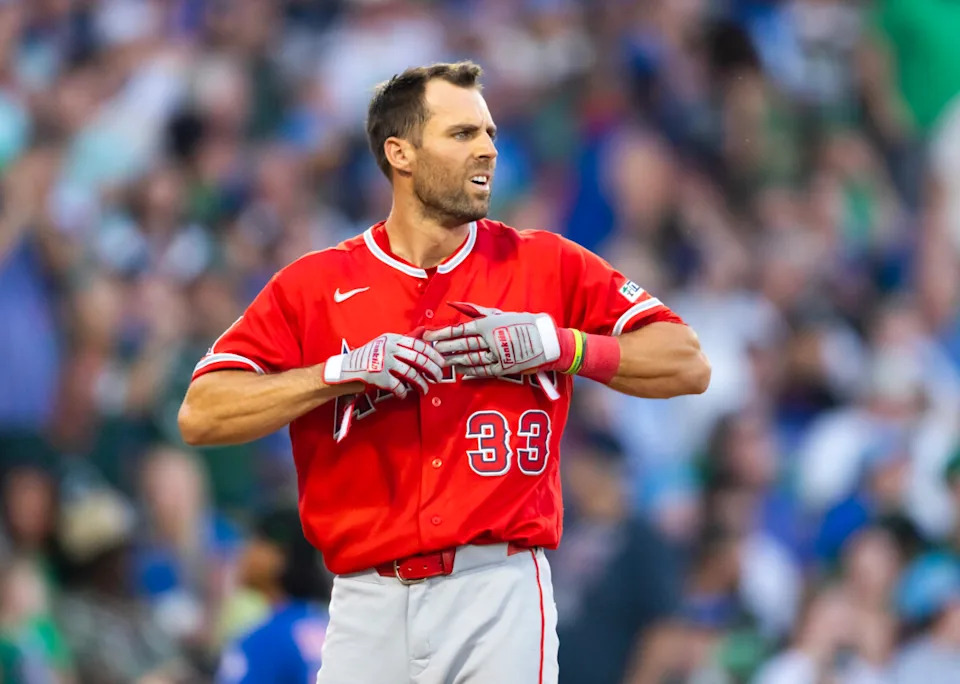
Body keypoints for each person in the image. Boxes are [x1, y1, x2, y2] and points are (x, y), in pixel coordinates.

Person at [178, 61, 710, 683]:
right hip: (364, 598)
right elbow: (200, 411)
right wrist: (332, 374)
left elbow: (687, 360)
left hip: (498, 587)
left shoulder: (544, 264)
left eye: (488, 132)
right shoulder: (317, 285)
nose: (487, 149)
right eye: (461, 134)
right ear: (399, 153)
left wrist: (563, 346)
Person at [216, 507, 330, 684]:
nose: (244, 551)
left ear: (279, 558)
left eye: (256, 542)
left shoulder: (263, 641)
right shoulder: (328, 624)